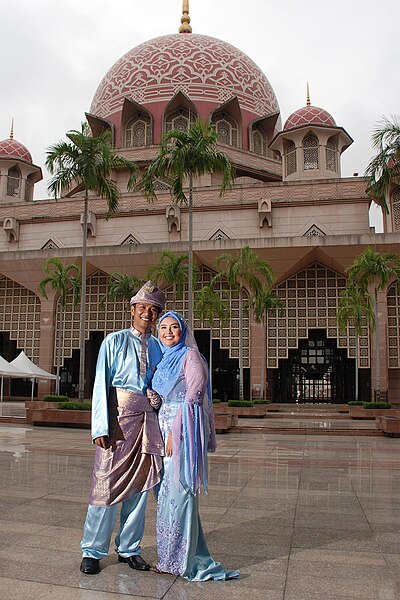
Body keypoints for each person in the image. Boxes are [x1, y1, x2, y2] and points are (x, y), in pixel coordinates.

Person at [80, 281, 166, 575]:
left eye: (154, 310)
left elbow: (166, 385)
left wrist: (158, 398)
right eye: (143, 307)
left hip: (147, 424)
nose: (148, 313)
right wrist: (100, 427)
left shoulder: (158, 347)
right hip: (118, 424)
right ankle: (92, 550)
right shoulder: (113, 341)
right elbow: (101, 385)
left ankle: (129, 549)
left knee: (139, 490)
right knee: (104, 486)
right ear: (132, 310)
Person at [151, 311, 240, 581]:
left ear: (183, 330)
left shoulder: (190, 357)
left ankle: (179, 562)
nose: (168, 332)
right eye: (163, 327)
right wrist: (153, 399)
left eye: (174, 327)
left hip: (182, 433)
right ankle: (177, 556)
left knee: (180, 494)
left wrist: (175, 433)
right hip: (162, 431)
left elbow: (194, 396)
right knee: (167, 497)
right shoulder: (164, 360)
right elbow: (162, 399)